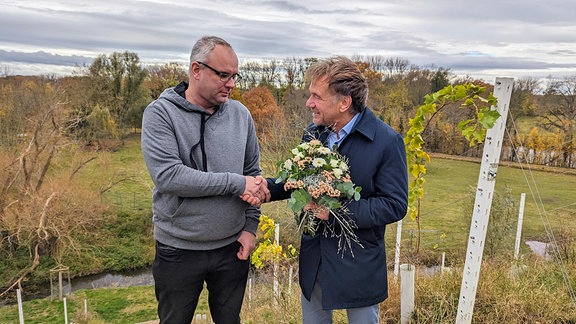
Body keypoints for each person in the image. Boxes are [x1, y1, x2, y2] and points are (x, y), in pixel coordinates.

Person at [259, 56, 408, 323]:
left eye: (317, 96)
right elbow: (301, 179)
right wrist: (267, 189)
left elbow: (395, 204)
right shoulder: (313, 134)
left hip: (358, 261)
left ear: (344, 102)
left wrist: (338, 212)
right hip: (315, 257)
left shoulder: (386, 141)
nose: (309, 103)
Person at [141, 35, 268, 324]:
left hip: (231, 248)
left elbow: (254, 175)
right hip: (179, 249)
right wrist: (236, 183)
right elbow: (169, 177)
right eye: (223, 75)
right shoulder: (160, 114)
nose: (232, 84)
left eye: (235, 75)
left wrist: (250, 228)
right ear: (196, 70)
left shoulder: (240, 115)